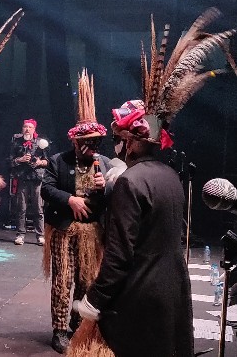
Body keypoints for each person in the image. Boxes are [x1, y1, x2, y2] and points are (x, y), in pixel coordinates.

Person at [75, 100, 194, 356]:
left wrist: (95, 299)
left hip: (139, 296)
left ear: (130, 141)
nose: (116, 145)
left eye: (118, 137)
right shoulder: (170, 175)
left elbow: (119, 256)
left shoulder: (130, 182)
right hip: (172, 290)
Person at [41, 69, 111, 354]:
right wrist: (70, 199)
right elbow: (46, 188)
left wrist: (104, 186)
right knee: (63, 279)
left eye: (95, 142)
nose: (90, 148)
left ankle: (75, 323)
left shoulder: (105, 164)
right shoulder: (58, 160)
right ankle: (58, 329)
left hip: (91, 232)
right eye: (86, 143)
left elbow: (115, 197)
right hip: (64, 230)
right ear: (75, 142)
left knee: (86, 281)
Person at [9, 118, 48, 246]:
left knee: (38, 208)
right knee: (21, 208)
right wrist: (20, 160)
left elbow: (47, 161)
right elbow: (9, 161)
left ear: (34, 129)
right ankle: (20, 234)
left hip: (36, 178)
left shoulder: (40, 143)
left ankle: (40, 235)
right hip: (22, 178)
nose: (27, 129)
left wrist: (39, 162)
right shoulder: (16, 143)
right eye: (25, 126)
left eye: (30, 127)